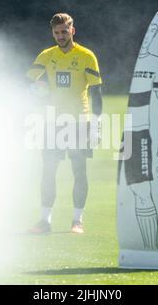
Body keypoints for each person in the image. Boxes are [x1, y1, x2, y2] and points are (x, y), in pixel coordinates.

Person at [26, 13, 103, 234]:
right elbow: (28, 81)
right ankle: (44, 221)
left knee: (79, 171)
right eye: (57, 32)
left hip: (79, 122)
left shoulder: (87, 56)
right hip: (53, 122)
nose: (60, 36)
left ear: (72, 31)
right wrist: (40, 94)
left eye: (64, 31)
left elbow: (97, 93)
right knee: (48, 171)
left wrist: (96, 125)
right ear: (53, 33)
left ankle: (77, 221)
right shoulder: (46, 55)